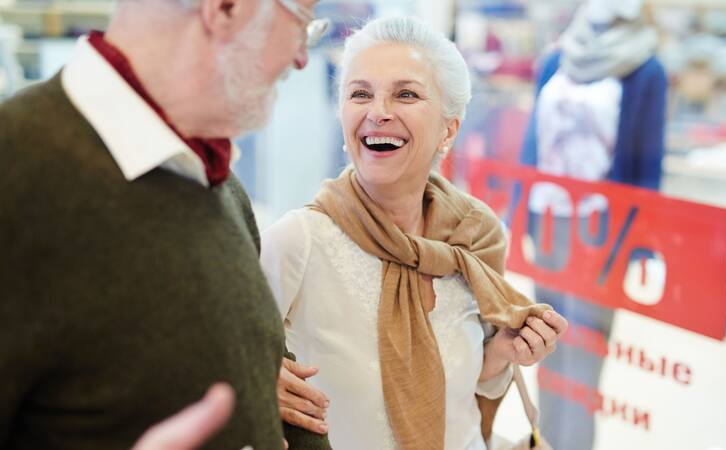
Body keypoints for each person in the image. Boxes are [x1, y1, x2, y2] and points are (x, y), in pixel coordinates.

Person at [0, 0, 332, 449]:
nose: (301, 58)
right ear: (225, 8)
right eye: (302, 23)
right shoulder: (16, 174)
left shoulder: (214, 180)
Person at [261, 16, 568, 450]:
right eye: (360, 94)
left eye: (405, 94)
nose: (378, 111)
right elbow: (218, 364)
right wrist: (254, 381)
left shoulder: (474, 236)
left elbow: (465, 394)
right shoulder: (299, 241)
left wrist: (501, 354)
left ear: (450, 128)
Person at [514, 0, 667, 448]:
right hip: (547, 223)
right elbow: (534, 143)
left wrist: (640, 242)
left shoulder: (645, 68)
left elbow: (647, 163)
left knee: (585, 353)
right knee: (547, 344)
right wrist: (519, 211)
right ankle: (545, 439)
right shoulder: (559, 60)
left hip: (601, 230)